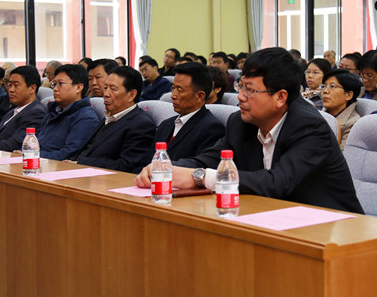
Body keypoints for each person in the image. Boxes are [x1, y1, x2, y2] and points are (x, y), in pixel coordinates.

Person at [135, 47, 364, 213]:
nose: (240, 97)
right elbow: (212, 158)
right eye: (240, 86)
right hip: (271, 216)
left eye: (250, 90)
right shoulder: (240, 121)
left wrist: (200, 177)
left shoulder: (310, 127)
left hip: (331, 226)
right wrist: (167, 168)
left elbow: (278, 182)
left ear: (280, 97)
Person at [72, 66, 155, 172]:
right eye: (105, 88)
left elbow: (127, 165)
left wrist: (81, 163)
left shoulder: (141, 125)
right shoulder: (110, 116)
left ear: (131, 95)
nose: (106, 94)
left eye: (113, 89)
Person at [152, 62, 225, 160]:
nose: (172, 95)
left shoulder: (211, 129)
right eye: (173, 88)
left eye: (180, 90)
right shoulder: (165, 124)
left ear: (199, 96)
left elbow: (198, 166)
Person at [37, 64, 101, 161]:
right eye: (54, 84)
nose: (55, 89)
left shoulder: (86, 119)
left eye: (60, 84)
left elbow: (68, 154)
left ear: (79, 87)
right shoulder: (53, 112)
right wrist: (24, 153)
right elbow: (35, 143)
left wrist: (33, 156)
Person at [0, 66, 47, 152]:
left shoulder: (36, 113)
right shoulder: (12, 111)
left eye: (16, 85)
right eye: (10, 85)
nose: (10, 90)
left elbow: (14, 144)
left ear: (32, 88)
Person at [321, 69, 361, 149]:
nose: (325, 91)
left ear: (348, 95)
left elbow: (343, 154)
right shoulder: (317, 115)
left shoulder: (353, 123)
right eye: (324, 86)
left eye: (332, 86)